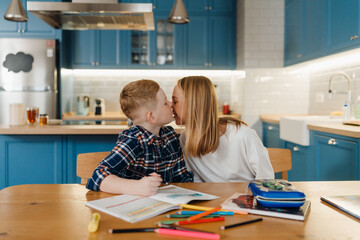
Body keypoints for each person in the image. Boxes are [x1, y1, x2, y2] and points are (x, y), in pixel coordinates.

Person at [86, 79, 193, 196]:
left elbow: (181, 177)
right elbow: (97, 176)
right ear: (151, 116)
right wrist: (137, 187)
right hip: (135, 204)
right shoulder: (133, 141)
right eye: (165, 102)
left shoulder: (170, 136)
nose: (171, 104)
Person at [172, 76, 274, 182]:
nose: (171, 106)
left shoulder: (241, 134)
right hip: (214, 197)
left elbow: (266, 177)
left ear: (193, 104)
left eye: (175, 102)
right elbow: (196, 180)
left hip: (247, 195)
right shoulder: (185, 139)